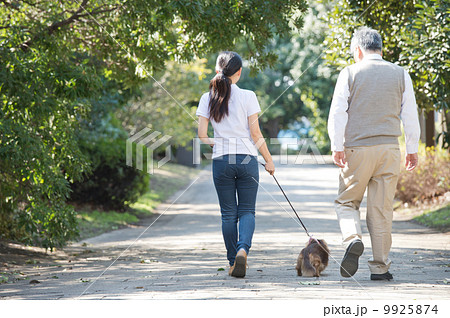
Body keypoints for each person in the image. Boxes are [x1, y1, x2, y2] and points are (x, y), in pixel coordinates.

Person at [327, 27, 420, 281]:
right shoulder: (401, 73)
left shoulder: (349, 72)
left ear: (358, 50)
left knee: (347, 201)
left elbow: (337, 112)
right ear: (380, 49)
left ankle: (353, 239)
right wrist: (412, 148)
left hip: (357, 148)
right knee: (381, 210)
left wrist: (337, 145)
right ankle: (380, 268)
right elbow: (410, 114)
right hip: (390, 149)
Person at [196, 51, 275, 278]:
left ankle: (233, 262)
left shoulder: (206, 97)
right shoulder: (248, 96)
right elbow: (256, 133)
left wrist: (216, 142)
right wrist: (268, 160)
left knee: (228, 214)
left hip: (222, 161)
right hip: (247, 159)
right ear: (239, 72)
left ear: (217, 69)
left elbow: (202, 134)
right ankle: (243, 250)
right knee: (247, 210)